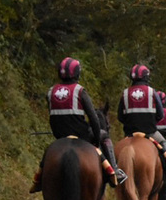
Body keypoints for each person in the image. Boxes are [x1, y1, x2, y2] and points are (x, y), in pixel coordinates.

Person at [29, 57, 127, 193]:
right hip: (82, 135)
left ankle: (38, 180)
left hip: (60, 136)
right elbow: (93, 118)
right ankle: (115, 171)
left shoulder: (51, 92)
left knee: (48, 153)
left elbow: (53, 116)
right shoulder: (79, 90)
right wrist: (96, 139)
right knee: (105, 136)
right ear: (77, 73)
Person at [116, 64, 166, 175]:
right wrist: (151, 122)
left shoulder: (125, 93)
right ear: (146, 77)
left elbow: (120, 116)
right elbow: (160, 114)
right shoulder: (152, 92)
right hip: (150, 132)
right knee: (163, 142)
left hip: (129, 134)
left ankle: (116, 172)